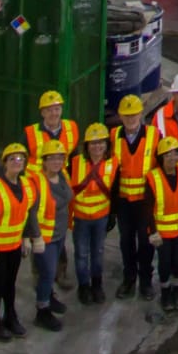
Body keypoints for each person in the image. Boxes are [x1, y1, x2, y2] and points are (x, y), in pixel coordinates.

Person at [0, 142, 40, 341]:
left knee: (10, 284)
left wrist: (26, 239)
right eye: (13, 159)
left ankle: (10, 317)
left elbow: (23, 215)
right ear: (5, 163)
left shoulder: (27, 187)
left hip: (14, 245)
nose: (17, 162)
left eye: (21, 159)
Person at [111, 94, 157, 299]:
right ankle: (129, 278)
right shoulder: (113, 136)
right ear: (120, 116)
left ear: (141, 113)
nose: (131, 119)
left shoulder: (155, 135)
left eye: (134, 114)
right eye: (127, 115)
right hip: (123, 202)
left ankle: (146, 281)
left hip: (145, 202)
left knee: (146, 242)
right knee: (126, 241)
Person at [68, 122, 117, 305]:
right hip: (80, 218)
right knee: (81, 254)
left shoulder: (113, 163)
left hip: (101, 217)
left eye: (101, 143)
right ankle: (84, 287)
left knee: (97, 252)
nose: (97, 147)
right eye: (93, 143)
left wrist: (112, 215)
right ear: (87, 146)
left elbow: (115, 189)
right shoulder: (75, 163)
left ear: (106, 144)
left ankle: (97, 285)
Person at [28, 140, 73, 329]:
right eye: (52, 158)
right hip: (44, 238)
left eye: (60, 158)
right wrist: (35, 237)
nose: (56, 161)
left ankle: (49, 297)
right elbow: (31, 211)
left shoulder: (62, 176)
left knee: (52, 272)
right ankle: (42, 311)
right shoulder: (37, 182)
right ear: (44, 161)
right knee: (46, 273)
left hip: (59, 234)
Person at [146, 135, 178, 314]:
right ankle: (166, 293)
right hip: (162, 233)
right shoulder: (153, 177)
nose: (172, 159)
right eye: (167, 155)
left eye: (175, 154)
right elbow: (148, 208)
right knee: (164, 264)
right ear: (161, 158)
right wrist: (153, 232)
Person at [24, 89, 79, 172]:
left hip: (61, 180)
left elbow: (74, 158)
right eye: (49, 110)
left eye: (57, 109)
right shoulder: (30, 133)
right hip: (36, 180)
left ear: (61, 110)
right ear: (42, 113)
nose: (53, 113)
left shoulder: (72, 127)